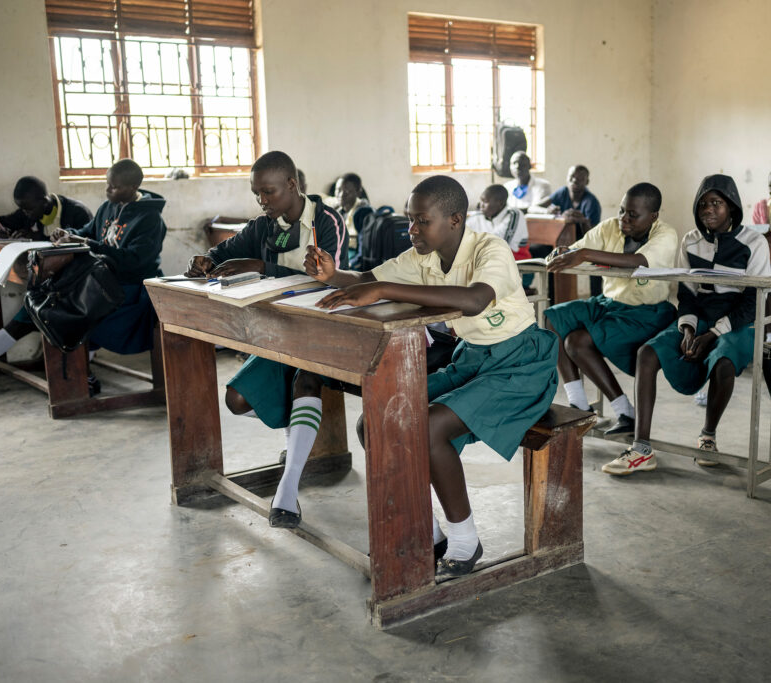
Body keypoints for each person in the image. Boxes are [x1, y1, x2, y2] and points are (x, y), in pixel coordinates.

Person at [303, 175, 558, 578]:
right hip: (472, 361)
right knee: (375, 423)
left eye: (422, 221)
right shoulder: (422, 257)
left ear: (455, 219)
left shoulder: (490, 250)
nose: (412, 229)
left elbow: (474, 300)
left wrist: (387, 290)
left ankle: (465, 540)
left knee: (429, 426)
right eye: (410, 219)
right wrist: (333, 275)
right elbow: (368, 282)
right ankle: (430, 531)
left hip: (522, 365)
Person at [184, 152, 346, 522]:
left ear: (292, 185)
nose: (262, 200)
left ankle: (288, 489)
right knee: (237, 399)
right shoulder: (263, 226)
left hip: (323, 330)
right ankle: (298, 437)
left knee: (305, 381)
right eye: (256, 193)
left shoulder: (326, 220)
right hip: (277, 333)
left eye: (268, 192)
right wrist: (204, 260)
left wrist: (262, 267)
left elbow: (328, 278)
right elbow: (221, 252)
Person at [0, 159, 166, 403]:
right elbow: (88, 232)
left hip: (128, 289)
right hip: (100, 280)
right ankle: (79, 375)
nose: (107, 190)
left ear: (133, 187)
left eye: (113, 187)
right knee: (47, 306)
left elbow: (134, 261)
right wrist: (70, 235)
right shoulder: (108, 207)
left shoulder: (150, 219)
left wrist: (86, 243)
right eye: (107, 184)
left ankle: (78, 376)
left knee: (68, 314)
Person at [603, 174, 770, 475]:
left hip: (738, 321)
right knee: (647, 354)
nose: (708, 209)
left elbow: (753, 302)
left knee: (724, 362)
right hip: (700, 317)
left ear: (732, 207)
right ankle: (641, 448)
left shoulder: (754, 243)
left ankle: (708, 436)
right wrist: (689, 329)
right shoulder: (691, 240)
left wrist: (713, 334)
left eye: (716, 203)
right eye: (703, 204)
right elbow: (687, 293)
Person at [544, 183, 678, 437]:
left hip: (646, 312)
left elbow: (639, 261)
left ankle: (624, 411)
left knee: (576, 342)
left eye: (633, 215)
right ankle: (579, 405)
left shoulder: (666, 234)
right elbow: (577, 249)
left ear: (653, 216)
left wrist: (584, 254)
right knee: (554, 318)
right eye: (622, 211)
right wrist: (565, 252)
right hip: (609, 304)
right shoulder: (610, 227)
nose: (624, 219)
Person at [0, 176, 92, 240]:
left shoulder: (77, 212)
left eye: (28, 210)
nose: (25, 213)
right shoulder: (27, 211)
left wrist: (40, 238)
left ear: (44, 202)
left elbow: (86, 245)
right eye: (22, 209)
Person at [466, 184, 531, 261]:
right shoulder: (477, 216)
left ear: (500, 203)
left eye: (485, 202)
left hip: (515, 261)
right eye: (481, 201)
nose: (481, 205)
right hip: (487, 259)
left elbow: (498, 242)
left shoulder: (514, 215)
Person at [539, 165, 602, 238]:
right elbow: (533, 207)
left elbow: (594, 237)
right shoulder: (563, 192)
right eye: (572, 176)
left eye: (580, 178)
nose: (574, 180)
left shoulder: (591, 202)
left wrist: (583, 221)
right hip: (559, 238)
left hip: (581, 242)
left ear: (587, 182)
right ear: (567, 178)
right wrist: (547, 211)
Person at [333, 172, 373, 254]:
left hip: (354, 255)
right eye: (338, 190)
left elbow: (364, 250)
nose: (341, 194)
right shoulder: (338, 212)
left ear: (358, 192)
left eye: (347, 191)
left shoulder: (363, 213)